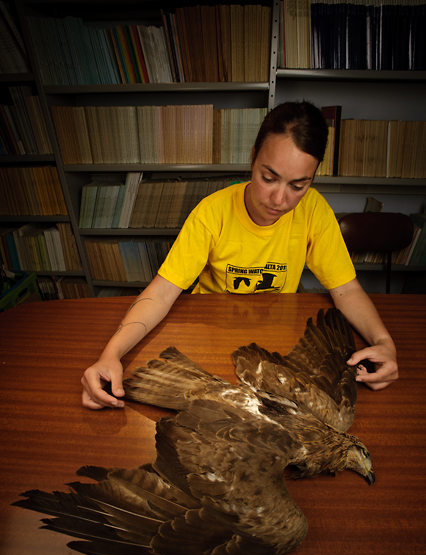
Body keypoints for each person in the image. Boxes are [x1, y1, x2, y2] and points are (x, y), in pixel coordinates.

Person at [81, 101, 398, 410]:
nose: (279, 199)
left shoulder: (314, 210)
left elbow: (345, 289)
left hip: (276, 344)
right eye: (268, 178)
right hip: (211, 338)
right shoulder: (211, 213)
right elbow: (162, 293)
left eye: (298, 185)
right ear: (253, 158)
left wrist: (384, 344)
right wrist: (111, 354)